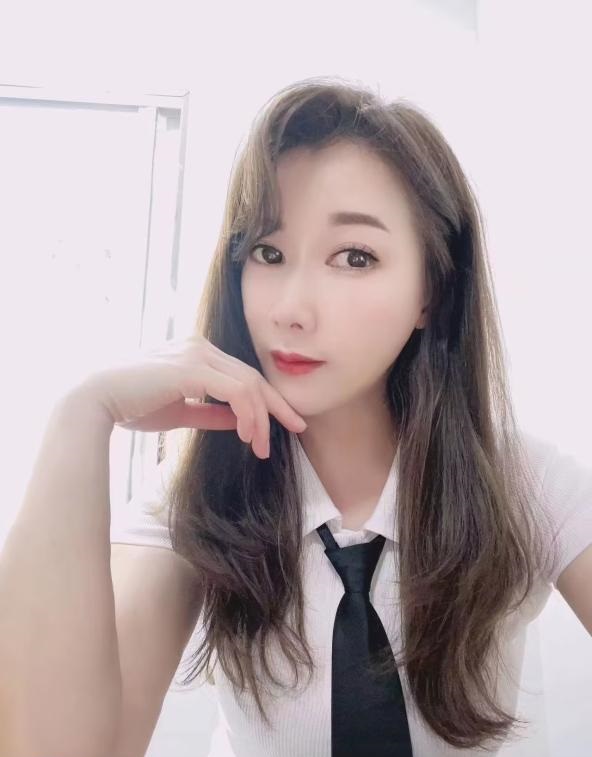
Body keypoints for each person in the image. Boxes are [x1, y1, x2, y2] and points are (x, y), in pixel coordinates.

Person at [1, 76, 591, 757]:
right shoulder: (192, 500)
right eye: (268, 252)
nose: (291, 308)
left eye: (354, 257)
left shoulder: (527, 484)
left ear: (431, 290)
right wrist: (80, 417)